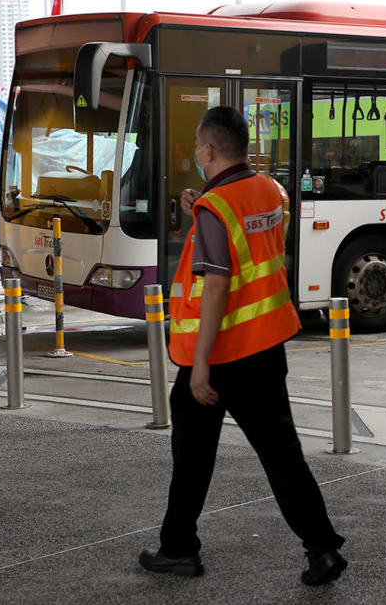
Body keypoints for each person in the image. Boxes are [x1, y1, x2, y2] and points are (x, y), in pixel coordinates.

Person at [138, 106, 347, 586]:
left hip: (220, 355)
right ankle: (322, 549)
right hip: (265, 348)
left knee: (192, 456)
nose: (195, 151)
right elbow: (256, 240)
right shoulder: (270, 190)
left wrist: (200, 368)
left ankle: (179, 549)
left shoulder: (217, 208)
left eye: (196, 144)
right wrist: (204, 208)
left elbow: (216, 286)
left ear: (208, 150)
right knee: (282, 455)